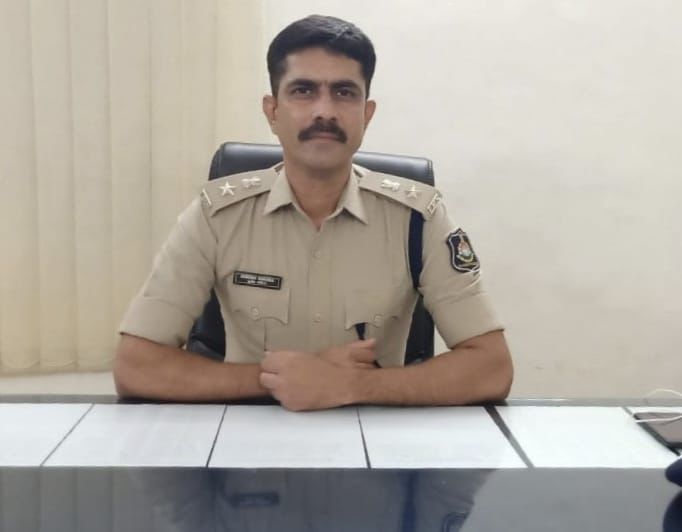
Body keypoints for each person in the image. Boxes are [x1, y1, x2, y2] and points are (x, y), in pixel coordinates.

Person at [114, 14, 513, 410]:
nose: (325, 111)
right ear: (272, 111)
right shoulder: (217, 216)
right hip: (248, 435)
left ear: (366, 114)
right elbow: (136, 365)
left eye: (344, 92)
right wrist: (281, 379)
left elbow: (492, 367)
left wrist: (353, 385)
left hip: (375, 435)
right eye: (303, 91)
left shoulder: (418, 218)